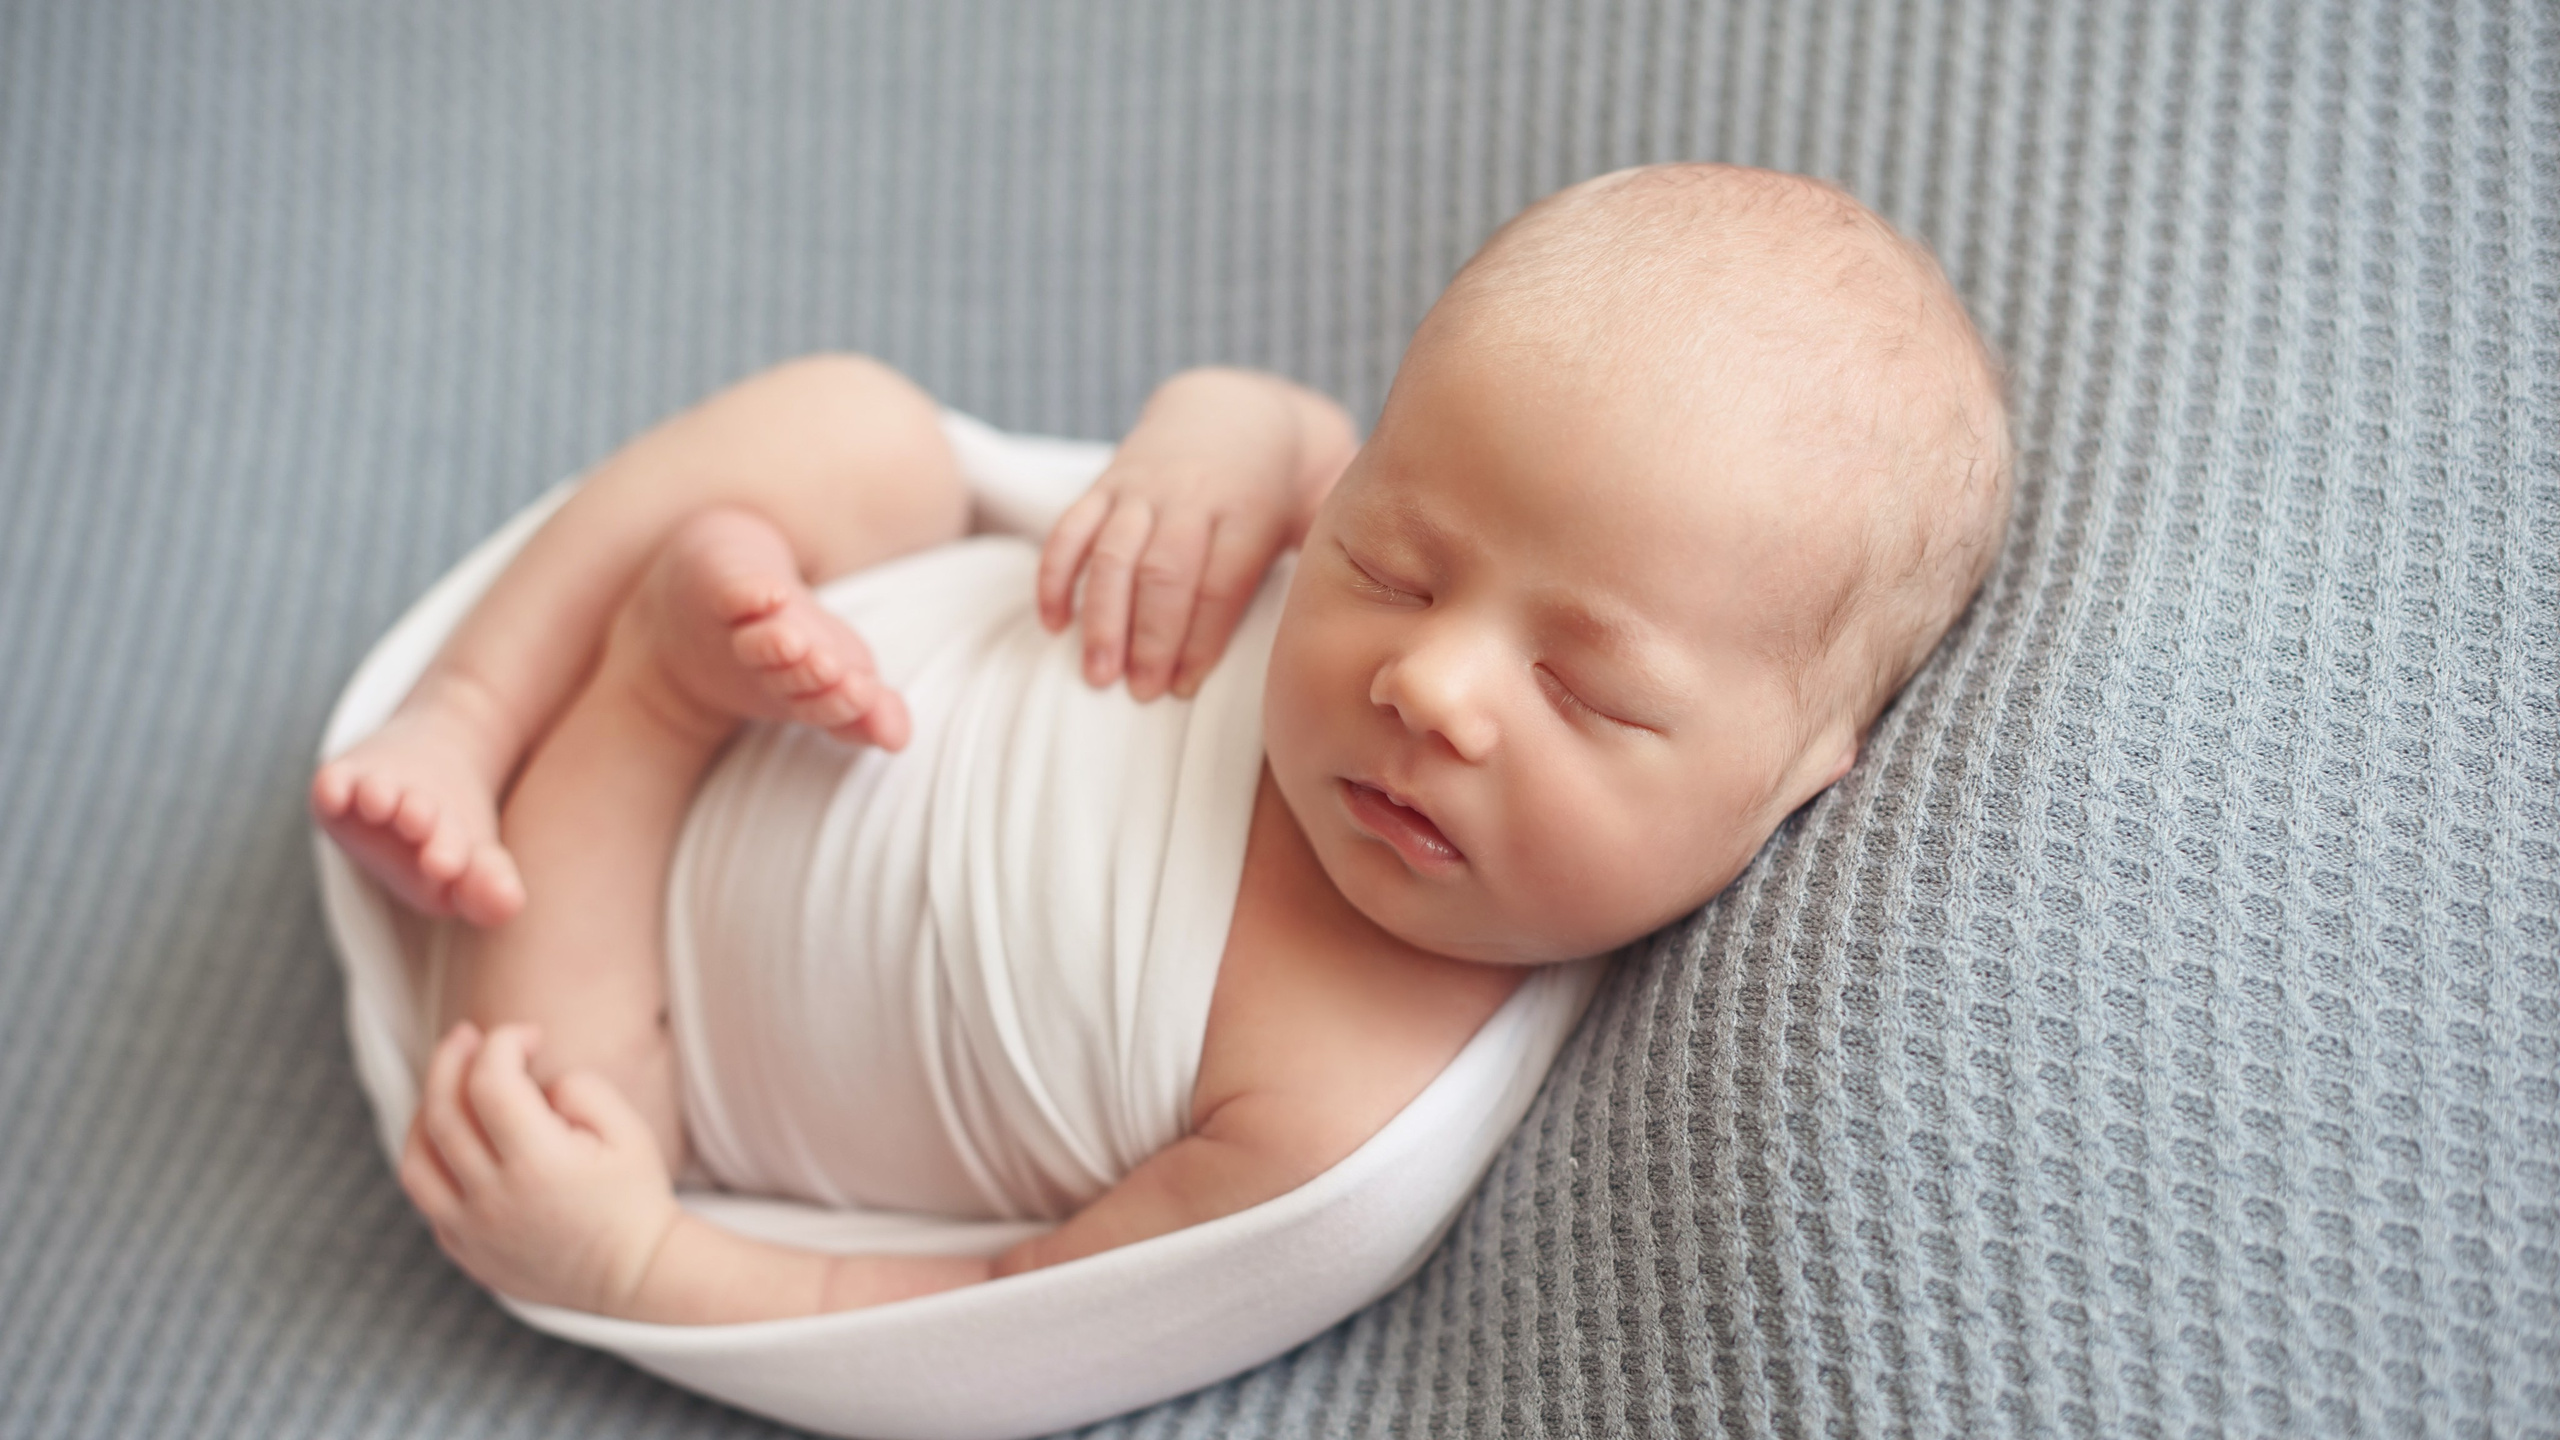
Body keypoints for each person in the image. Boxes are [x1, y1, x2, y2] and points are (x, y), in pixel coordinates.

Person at [312, 162, 2012, 1326]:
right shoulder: (1305, 512)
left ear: (1799, 778)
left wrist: (641, 1264)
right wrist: (1220, 437)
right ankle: (470, 709)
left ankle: (646, 696)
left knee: (546, 1112)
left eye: (1587, 692)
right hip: (823, 613)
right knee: (856, 425)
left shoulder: (1339, 1143)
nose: (1433, 686)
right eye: (1388, 563)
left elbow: (1000, 1315)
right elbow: (1268, 425)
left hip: (613, 1003)